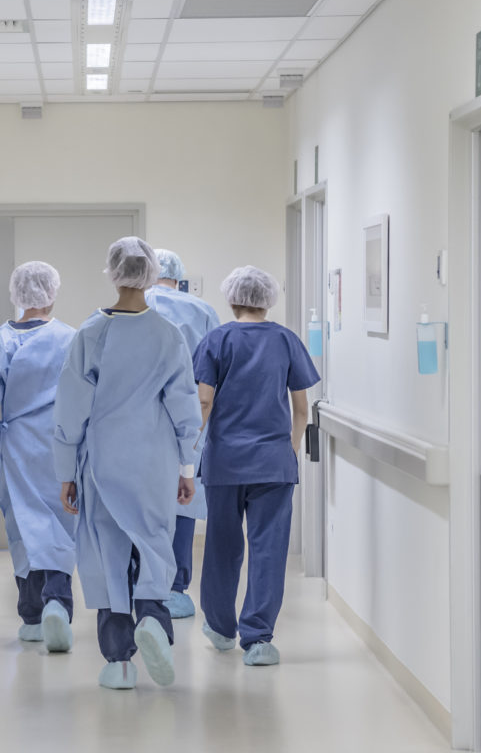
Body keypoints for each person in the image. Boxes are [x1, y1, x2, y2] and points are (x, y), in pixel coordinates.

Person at [53, 237, 202, 690]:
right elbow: (186, 410)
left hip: (102, 463)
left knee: (107, 554)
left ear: (114, 273)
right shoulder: (167, 335)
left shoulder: (89, 336)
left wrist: (65, 473)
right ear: (152, 273)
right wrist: (186, 468)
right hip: (154, 463)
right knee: (154, 544)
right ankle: (154, 618)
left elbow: (70, 411)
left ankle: (118, 661)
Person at [193, 266, 320, 666]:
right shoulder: (286, 340)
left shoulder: (217, 340)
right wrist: (291, 450)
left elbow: (203, 403)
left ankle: (219, 626)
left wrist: (187, 453)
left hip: (225, 462)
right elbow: (301, 409)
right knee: (269, 549)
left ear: (231, 299)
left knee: (221, 546)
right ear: (268, 300)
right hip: (273, 464)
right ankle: (259, 639)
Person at [0, 261, 80, 653]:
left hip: (17, 448)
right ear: (52, 292)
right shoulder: (71, 338)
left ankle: (32, 616)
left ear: (18, 295)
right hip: (61, 445)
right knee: (60, 525)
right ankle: (58, 605)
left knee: (24, 528)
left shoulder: (2, 340)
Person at [146, 248, 220, 620]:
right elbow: (216, 374)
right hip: (190, 419)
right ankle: (174, 589)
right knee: (183, 495)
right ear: (179, 277)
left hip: (136, 421)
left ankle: (140, 584)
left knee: (137, 503)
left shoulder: (130, 307)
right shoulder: (202, 311)